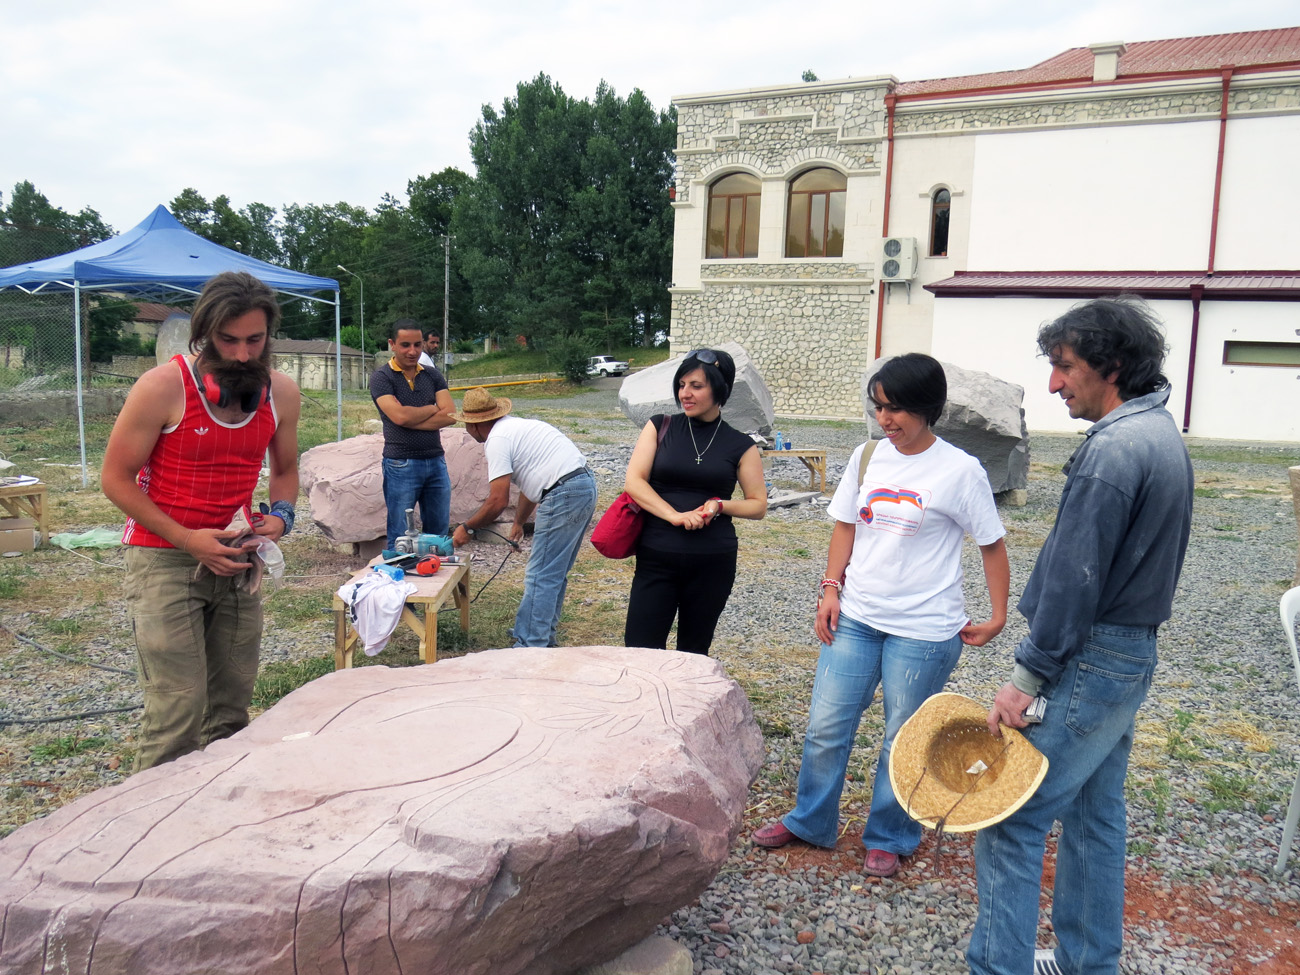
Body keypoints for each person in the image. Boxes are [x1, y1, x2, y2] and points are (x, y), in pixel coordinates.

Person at [967, 299, 1194, 975]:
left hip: (1089, 659)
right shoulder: (1159, 433)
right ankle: (1087, 962)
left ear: (1112, 365)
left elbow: (1074, 580)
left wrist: (1025, 680)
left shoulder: (1113, 452)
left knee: (1011, 821)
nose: (1053, 384)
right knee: (1096, 813)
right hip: (1128, 655)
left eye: (1064, 367)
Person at [751, 353, 1009, 879]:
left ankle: (891, 835)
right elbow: (845, 525)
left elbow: (992, 544)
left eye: (896, 409)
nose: (885, 419)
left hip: (925, 630)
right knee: (827, 724)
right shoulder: (869, 456)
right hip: (859, 616)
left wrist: (1000, 614)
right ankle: (810, 820)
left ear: (928, 408)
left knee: (902, 737)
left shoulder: (961, 471)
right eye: (879, 407)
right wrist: (830, 588)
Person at [102, 271, 301, 770]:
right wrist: (189, 540)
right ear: (204, 333)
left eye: (254, 340)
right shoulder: (162, 387)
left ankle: (215, 821)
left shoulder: (281, 392)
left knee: (232, 710)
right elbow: (116, 479)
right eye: (227, 340)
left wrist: (281, 516)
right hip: (163, 556)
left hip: (236, 557)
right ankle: (151, 828)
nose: (240, 355)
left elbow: (286, 469)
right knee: (178, 711)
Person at [622, 349, 767, 655]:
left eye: (696, 386)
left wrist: (720, 504)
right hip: (656, 557)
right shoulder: (660, 426)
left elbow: (758, 505)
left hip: (712, 562)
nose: (684, 394)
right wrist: (673, 515)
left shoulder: (741, 444)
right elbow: (634, 482)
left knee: (693, 652)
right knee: (640, 649)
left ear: (720, 390)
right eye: (681, 384)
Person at [450, 386, 597, 647]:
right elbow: (533, 484)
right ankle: (537, 631)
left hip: (564, 492)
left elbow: (497, 500)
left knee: (541, 573)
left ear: (474, 425)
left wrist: (467, 527)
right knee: (554, 570)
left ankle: (531, 643)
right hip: (582, 485)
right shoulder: (517, 428)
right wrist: (518, 522)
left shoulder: (497, 440)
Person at [370, 318, 454, 547]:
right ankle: (399, 580)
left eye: (417, 344)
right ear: (392, 344)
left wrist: (408, 418)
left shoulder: (433, 375)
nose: (412, 351)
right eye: (405, 345)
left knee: (439, 535)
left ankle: (435, 579)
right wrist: (431, 408)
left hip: (436, 461)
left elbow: (450, 415)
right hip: (401, 463)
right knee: (400, 536)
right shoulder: (381, 378)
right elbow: (399, 417)